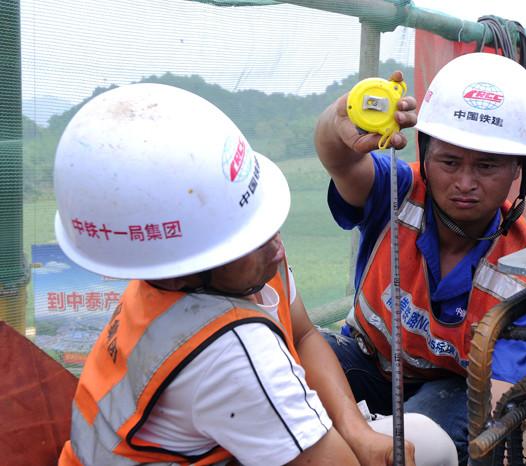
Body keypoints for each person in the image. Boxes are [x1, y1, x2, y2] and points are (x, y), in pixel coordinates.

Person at [54, 83, 457, 465]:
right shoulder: (231, 352)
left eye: (263, 224)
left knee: (425, 440)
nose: (277, 248)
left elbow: (302, 332)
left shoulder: (210, 268)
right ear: (182, 272)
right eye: (246, 240)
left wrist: (356, 431)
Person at [314, 52, 526, 464]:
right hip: (366, 363)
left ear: (518, 170)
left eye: (487, 166)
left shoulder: (524, 274)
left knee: (417, 443)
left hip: (453, 394)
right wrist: (337, 123)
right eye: (449, 161)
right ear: (425, 152)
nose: (464, 183)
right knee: (287, 371)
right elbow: (340, 159)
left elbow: (499, 398)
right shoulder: (397, 190)